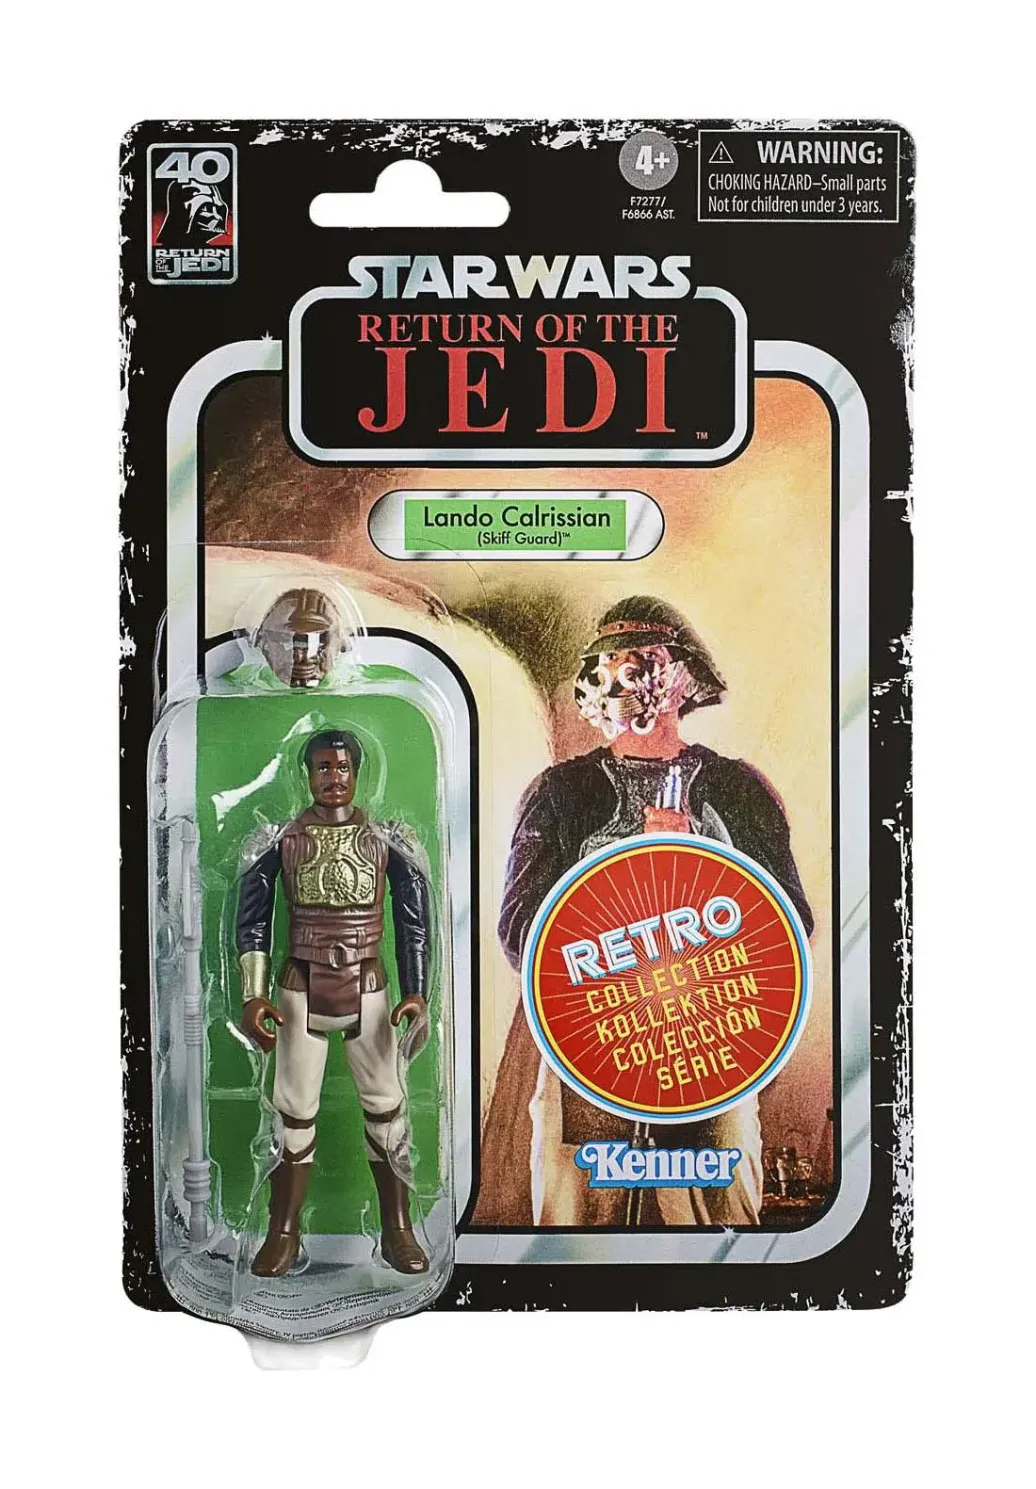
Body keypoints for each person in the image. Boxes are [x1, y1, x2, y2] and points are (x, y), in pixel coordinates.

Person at [479, 596, 814, 1228]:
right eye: (608, 664)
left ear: (684, 677)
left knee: (720, 1225)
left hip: (711, 1038)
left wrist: (701, 860)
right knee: (578, 1228)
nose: (624, 679)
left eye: (642, 661)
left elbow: (788, 924)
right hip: (589, 1040)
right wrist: (616, 890)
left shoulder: (738, 790)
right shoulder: (560, 793)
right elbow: (521, 928)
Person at [236, 729, 431, 1275]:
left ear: (357, 773)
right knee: (293, 1112)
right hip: (300, 984)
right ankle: (282, 1232)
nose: (333, 777)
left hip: (368, 984)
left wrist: (417, 992)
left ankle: (397, 1229)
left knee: (387, 1107)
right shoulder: (279, 841)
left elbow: (413, 924)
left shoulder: (388, 840)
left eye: (342, 767)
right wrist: (253, 995)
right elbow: (253, 921)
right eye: (323, 767)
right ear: (307, 774)